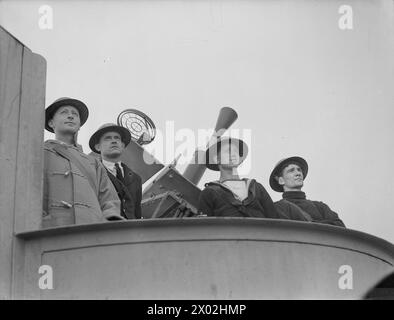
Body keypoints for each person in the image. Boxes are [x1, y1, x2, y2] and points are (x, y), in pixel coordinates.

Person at [43, 97, 124, 227]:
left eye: (74, 114)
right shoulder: (41, 153)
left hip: (91, 234)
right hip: (53, 232)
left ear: (80, 125)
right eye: (64, 112)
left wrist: (109, 226)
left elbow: (109, 201)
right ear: (51, 123)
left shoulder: (94, 163)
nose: (70, 116)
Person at [198, 137, 285, 219]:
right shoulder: (209, 192)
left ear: (240, 160)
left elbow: (274, 220)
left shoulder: (256, 187)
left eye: (236, 151)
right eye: (228, 151)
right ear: (217, 159)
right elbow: (204, 228)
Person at [269, 156, 345, 227]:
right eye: (291, 171)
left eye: (299, 170)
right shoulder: (278, 208)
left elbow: (340, 226)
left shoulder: (320, 207)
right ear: (281, 180)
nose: (298, 173)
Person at [89, 123, 142, 219]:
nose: (114, 141)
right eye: (108, 138)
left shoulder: (136, 179)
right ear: (98, 147)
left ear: (122, 145)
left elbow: (137, 214)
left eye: (117, 138)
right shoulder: (92, 173)